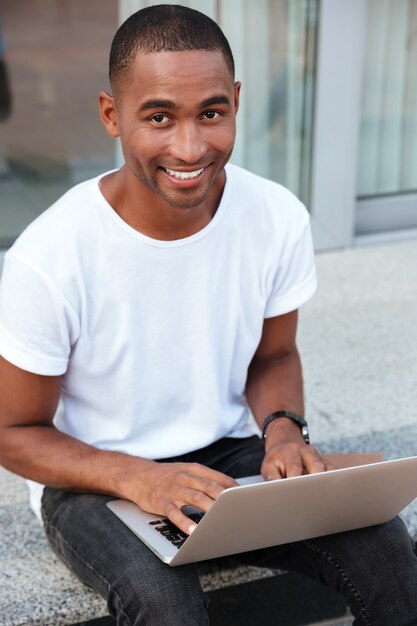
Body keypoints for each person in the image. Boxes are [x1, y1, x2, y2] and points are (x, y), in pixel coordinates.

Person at [0, 5, 416, 625]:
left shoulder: (276, 218)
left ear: (237, 103)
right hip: (93, 475)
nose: (189, 147)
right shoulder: (49, 257)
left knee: (390, 556)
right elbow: (14, 432)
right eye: (159, 116)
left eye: (212, 113)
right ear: (112, 116)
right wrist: (140, 478)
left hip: (227, 454)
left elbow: (274, 355)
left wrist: (282, 430)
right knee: (166, 604)